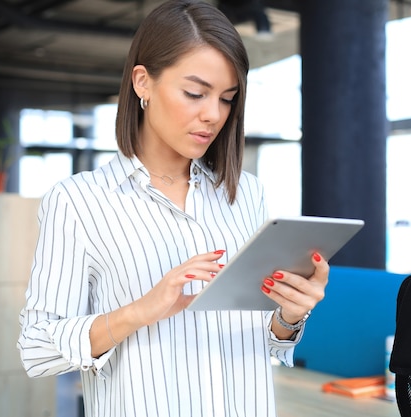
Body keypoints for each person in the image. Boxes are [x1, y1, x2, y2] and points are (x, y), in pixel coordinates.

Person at [17, 1, 329, 416]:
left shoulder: (247, 195)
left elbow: (263, 341)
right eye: (195, 93)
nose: (213, 115)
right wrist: (138, 312)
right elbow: (37, 349)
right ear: (143, 83)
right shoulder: (79, 201)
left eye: (227, 99)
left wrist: (289, 315)